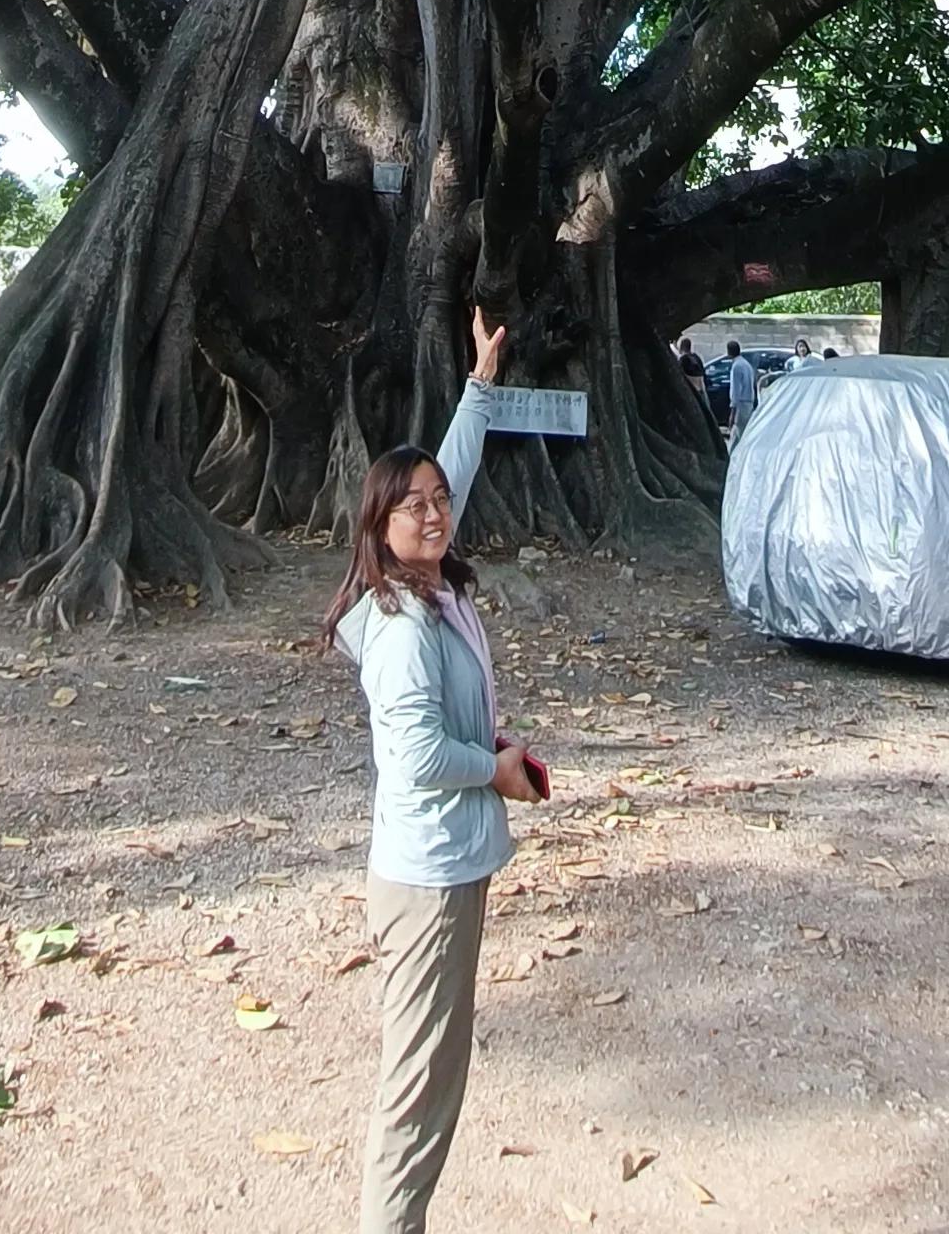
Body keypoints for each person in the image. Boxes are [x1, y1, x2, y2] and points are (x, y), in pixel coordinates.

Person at [327, 315, 546, 1233]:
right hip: (428, 877)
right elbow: (413, 755)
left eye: (437, 500)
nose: (432, 511)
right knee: (419, 1088)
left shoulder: (433, 586)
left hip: (446, 866)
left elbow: (451, 468)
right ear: (377, 525)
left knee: (431, 1074)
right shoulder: (401, 626)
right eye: (410, 504)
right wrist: (495, 771)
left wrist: (480, 384)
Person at [724, 337, 757, 438]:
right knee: (745, 433)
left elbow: (736, 390)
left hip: (741, 404)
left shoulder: (736, 366)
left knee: (737, 434)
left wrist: (732, 412)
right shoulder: (747, 365)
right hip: (749, 402)